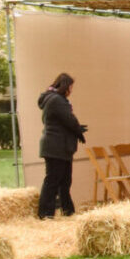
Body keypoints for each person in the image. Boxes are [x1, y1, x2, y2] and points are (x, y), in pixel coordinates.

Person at [36, 73, 86, 219]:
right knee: (53, 181)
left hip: (59, 146)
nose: (71, 90)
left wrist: (78, 128)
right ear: (65, 86)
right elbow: (69, 119)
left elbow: (62, 121)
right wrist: (78, 130)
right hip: (55, 147)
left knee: (64, 181)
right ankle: (45, 214)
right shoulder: (57, 100)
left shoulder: (54, 99)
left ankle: (67, 211)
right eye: (71, 86)